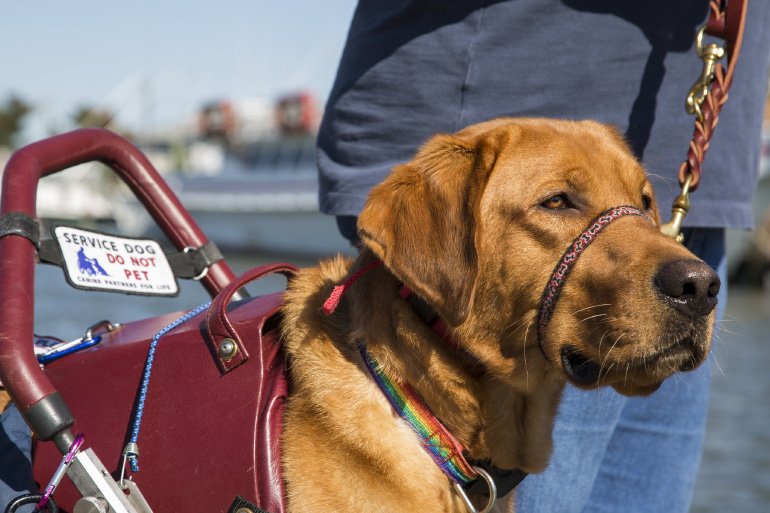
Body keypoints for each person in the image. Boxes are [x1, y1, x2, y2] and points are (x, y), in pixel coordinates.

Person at [316, 1, 770, 512]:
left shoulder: (676, 260)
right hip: (499, 70)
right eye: (559, 202)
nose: (698, 284)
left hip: (701, 162)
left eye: (644, 202)